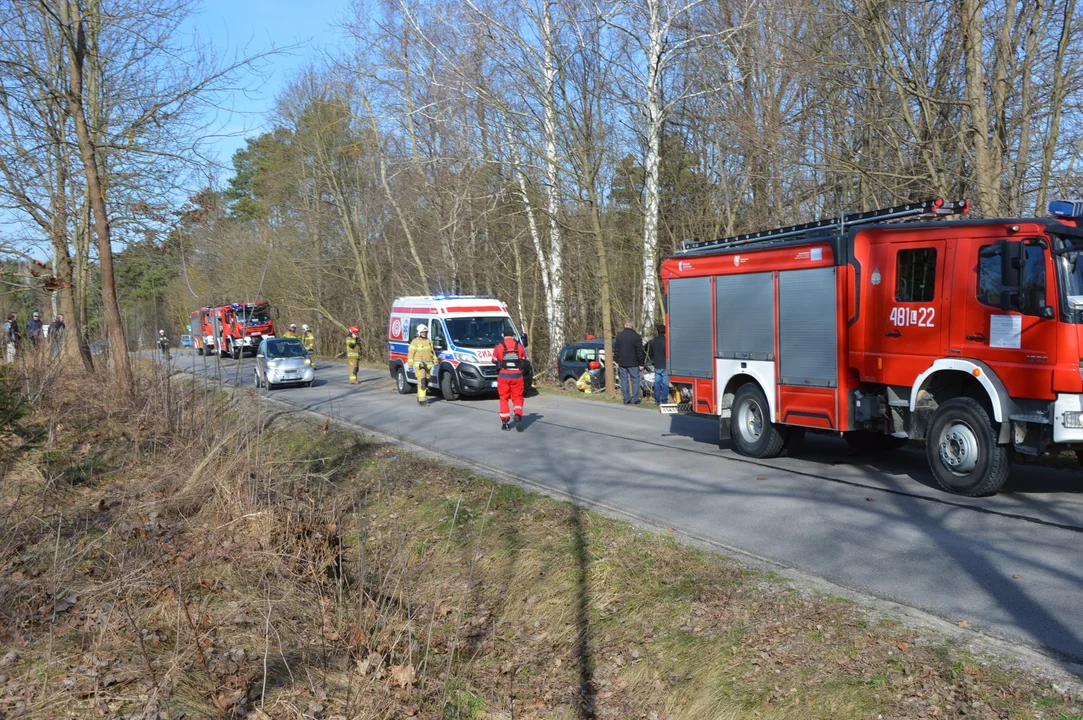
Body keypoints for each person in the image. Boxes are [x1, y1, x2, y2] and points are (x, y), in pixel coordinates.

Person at [493, 327, 527, 431]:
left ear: (504, 335)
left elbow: (494, 359)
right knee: (517, 397)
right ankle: (518, 414)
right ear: (512, 335)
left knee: (504, 399)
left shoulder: (499, 346)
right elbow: (523, 358)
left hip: (503, 376)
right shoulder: (519, 346)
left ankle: (505, 422)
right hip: (517, 376)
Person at [613, 319, 645, 404]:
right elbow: (639, 351)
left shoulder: (619, 336)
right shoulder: (636, 336)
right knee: (635, 380)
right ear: (631, 326)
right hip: (634, 362)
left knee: (623, 380)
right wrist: (641, 363)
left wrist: (616, 361)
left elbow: (616, 350)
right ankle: (635, 399)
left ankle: (626, 399)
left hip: (622, 362)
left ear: (625, 325)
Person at [407, 324, 436, 405]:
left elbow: (432, 351)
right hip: (419, 365)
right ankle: (422, 400)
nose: (424, 333)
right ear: (419, 332)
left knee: (426, 382)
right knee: (422, 382)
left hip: (428, 365)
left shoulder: (428, 341)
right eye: (423, 332)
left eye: (425, 332)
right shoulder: (415, 342)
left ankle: (420, 395)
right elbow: (411, 353)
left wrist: (435, 359)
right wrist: (410, 364)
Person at [647, 323, 668, 404]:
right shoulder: (667, 341)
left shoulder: (653, 341)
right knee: (665, 384)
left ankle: (657, 400)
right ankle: (664, 400)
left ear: (657, 331)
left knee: (657, 384)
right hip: (665, 364)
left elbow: (651, 354)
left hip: (657, 364)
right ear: (665, 331)